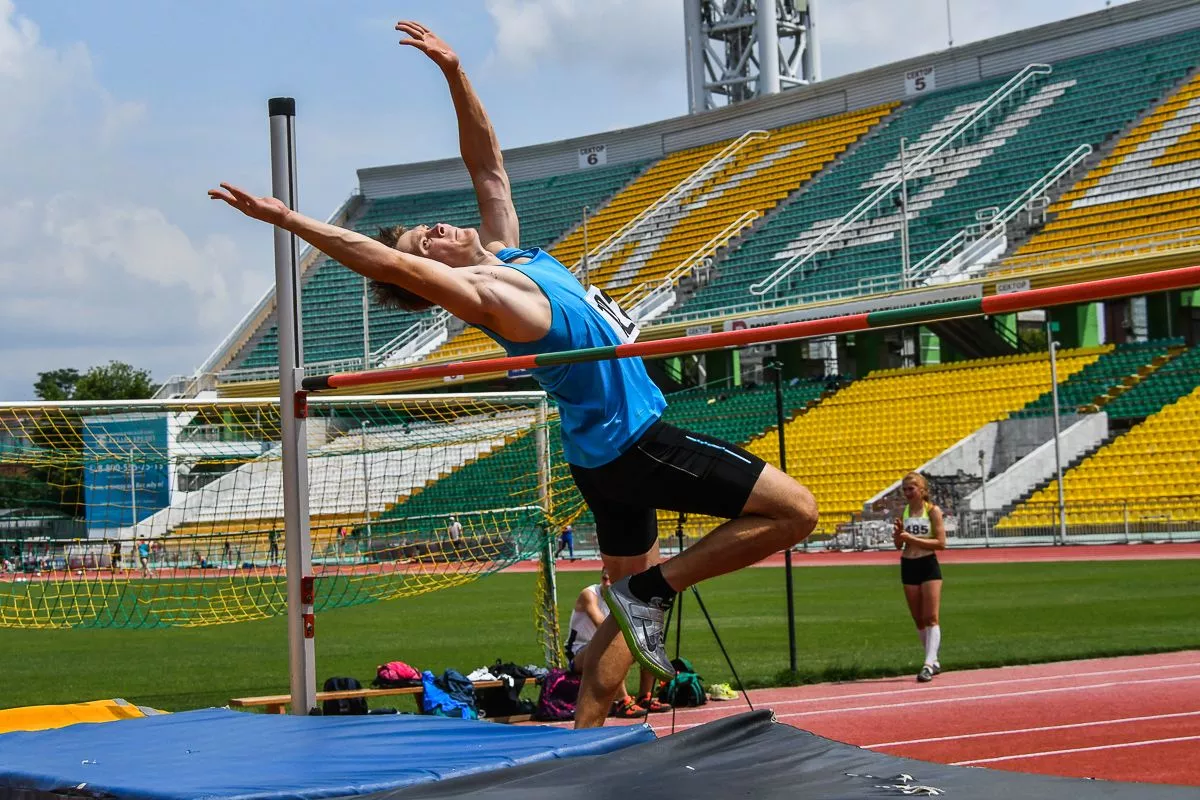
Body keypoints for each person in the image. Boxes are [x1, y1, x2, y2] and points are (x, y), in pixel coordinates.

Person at [210, 19, 817, 729]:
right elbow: (389, 263)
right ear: (433, 275)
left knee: (625, 620)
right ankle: (654, 588)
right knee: (794, 512)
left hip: (601, 458)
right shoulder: (489, 297)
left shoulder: (511, 254)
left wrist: (454, 71)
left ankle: (584, 739)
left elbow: (488, 167)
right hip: (635, 442)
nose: (438, 230)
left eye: (431, 227)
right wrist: (291, 220)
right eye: (427, 243)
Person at [565, 570, 671, 718]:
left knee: (648, 640)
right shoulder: (589, 595)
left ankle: (645, 696)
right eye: (604, 579)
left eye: (612, 579)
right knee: (613, 645)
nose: (608, 583)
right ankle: (623, 701)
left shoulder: (622, 596)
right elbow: (601, 625)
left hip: (599, 647)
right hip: (579, 653)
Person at [893, 472, 946, 683]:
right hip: (908, 564)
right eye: (905, 489)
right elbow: (899, 544)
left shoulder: (932, 511)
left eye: (911, 489)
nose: (907, 493)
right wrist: (898, 537)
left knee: (931, 616)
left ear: (922, 490)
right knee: (918, 619)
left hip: (928, 564)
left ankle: (928, 665)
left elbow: (940, 543)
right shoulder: (904, 511)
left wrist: (911, 538)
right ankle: (933, 660)